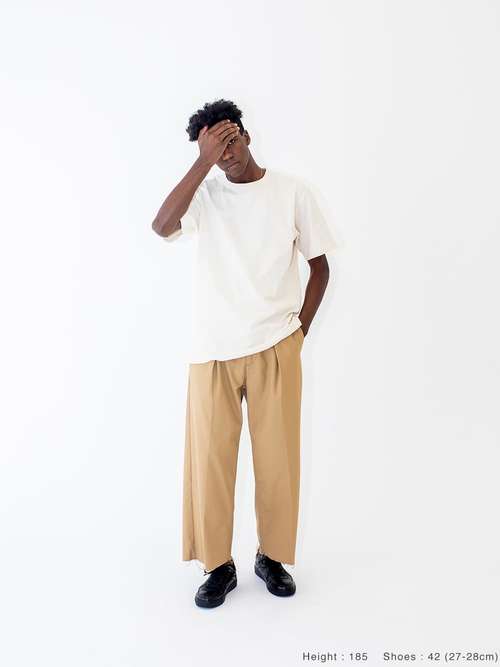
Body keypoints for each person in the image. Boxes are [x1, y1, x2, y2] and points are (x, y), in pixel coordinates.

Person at [152, 98, 336, 608]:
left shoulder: (292, 191)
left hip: (276, 345)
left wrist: (298, 332)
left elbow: (321, 267)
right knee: (210, 462)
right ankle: (217, 565)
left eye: (229, 140)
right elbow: (161, 227)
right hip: (212, 349)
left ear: (246, 136)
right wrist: (202, 163)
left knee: (278, 461)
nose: (226, 153)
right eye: (214, 147)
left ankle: (271, 557)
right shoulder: (204, 196)